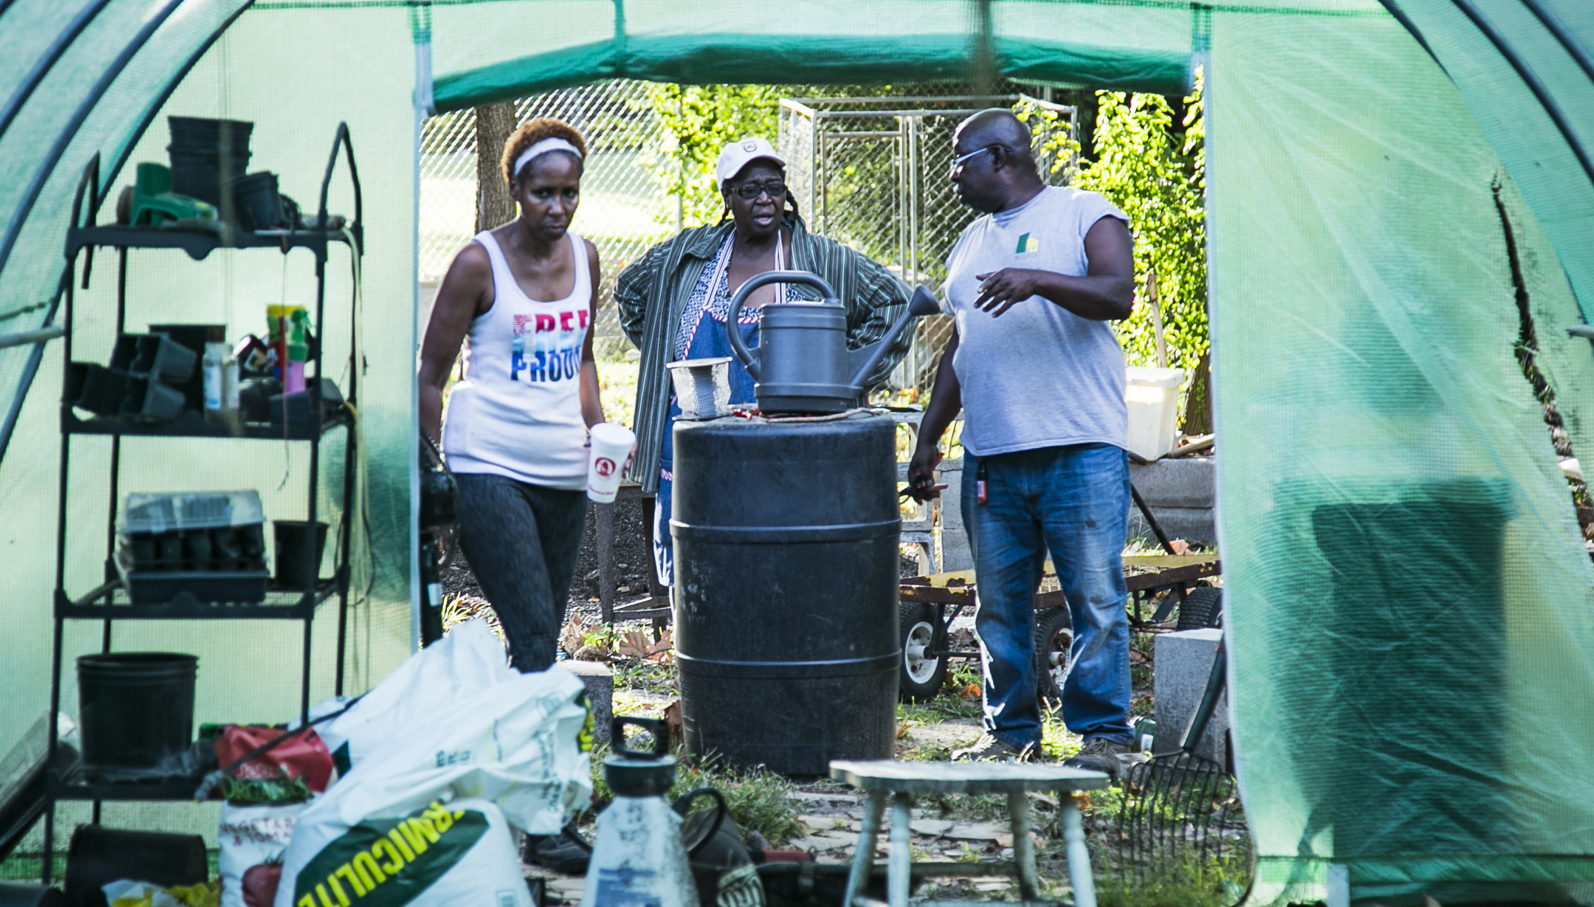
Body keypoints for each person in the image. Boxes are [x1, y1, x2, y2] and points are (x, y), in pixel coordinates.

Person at [907, 109, 1138, 775]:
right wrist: (929, 437)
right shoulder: (972, 241)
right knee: (998, 606)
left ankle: (1104, 738)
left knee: (1093, 598)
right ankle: (1007, 734)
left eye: (959, 162)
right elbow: (962, 341)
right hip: (992, 455)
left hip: (1077, 448)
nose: (952, 176)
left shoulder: (1082, 212)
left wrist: (1037, 279)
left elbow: (1116, 293)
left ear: (1000, 158)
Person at [616, 136, 910, 586]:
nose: (764, 199)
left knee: (780, 571)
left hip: (787, 454)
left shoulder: (819, 259)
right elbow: (630, 291)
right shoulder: (690, 256)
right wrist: (663, 345)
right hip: (696, 451)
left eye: (773, 186)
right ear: (727, 196)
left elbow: (895, 305)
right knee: (699, 574)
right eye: (749, 189)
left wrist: (845, 370)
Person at [419, 117, 603, 674]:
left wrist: (601, 430)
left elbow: (584, 358)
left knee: (538, 642)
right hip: (488, 464)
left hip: (565, 471)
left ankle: (504, 737)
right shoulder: (479, 263)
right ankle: (533, 753)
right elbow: (431, 374)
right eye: (544, 193)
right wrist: (431, 476)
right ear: (516, 190)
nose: (558, 207)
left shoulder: (587, 257)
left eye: (569, 192)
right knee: (534, 635)